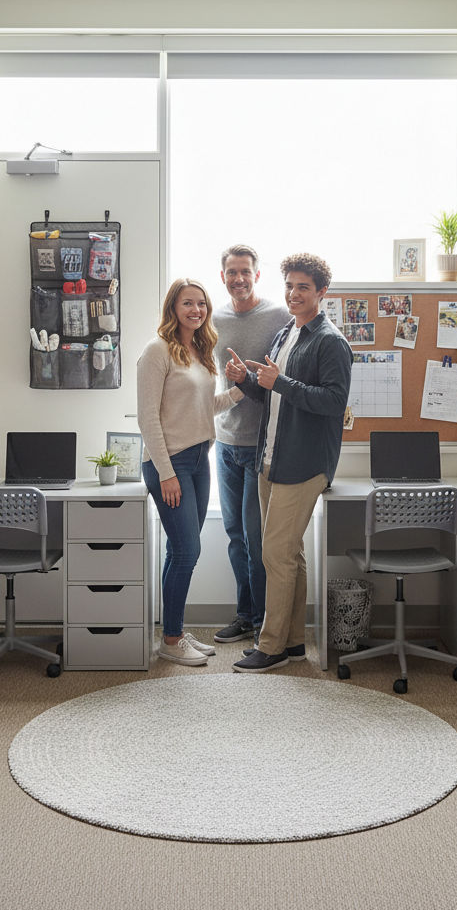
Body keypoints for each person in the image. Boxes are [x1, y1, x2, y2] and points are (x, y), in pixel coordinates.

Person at [225, 252, 352, 672]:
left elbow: (333, 402)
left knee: (275, 555)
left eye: (303, 287)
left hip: (303, 463)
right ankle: (294, 641)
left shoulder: (330, 341)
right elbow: (277, 395)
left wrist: (280, 380)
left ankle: (272, 645)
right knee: (289, 555)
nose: (294, 294)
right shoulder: (286, 333)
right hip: (271, 457)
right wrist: (248, 380)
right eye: (290, 286)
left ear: (322, 293)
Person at [137, 279, 244, 666]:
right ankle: (170, 639)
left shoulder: (199, 351)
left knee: (180, 551)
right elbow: (148, 418)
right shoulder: (157, 350)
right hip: (171, 463)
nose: (196, 310)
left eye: (201, 304)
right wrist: (166, 473)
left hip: (199, 460)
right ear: (173, 307)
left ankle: (175, 632)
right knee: (187, 550)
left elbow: (201, 408)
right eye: (188, 303)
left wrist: (239, 390)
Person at [210, 244, 291, 646]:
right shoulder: (214, 318)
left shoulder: (279, 316)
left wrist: (250, 375)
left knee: (256, 537)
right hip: (223, 441)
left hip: (261, 445)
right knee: (234, 535)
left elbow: (288, 372)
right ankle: (245, 615)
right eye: (231, 273)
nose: (238, 279)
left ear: (257, 275)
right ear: (222, 276)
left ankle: (264, 623)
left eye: (245, 272)